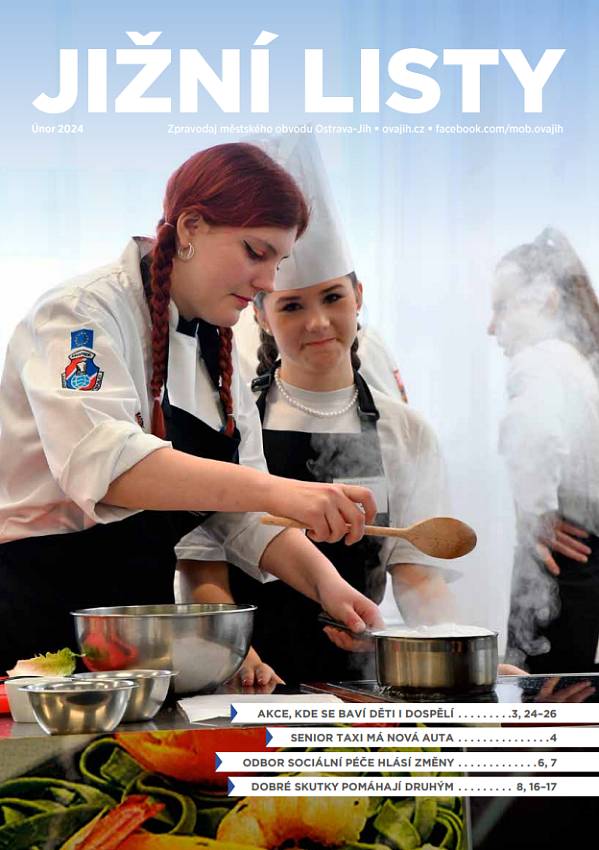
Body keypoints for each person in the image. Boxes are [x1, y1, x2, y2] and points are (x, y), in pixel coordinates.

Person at [0, 142, 384, 674]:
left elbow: (244, 513)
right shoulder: (82, 314)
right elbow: (108, 467)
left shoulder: (215, 350)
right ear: (190, 229)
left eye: (279, 260)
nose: (269, 282)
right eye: (256, 251)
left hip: (136, 626)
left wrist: (329, 587)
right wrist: (286, 491)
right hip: (33, 618)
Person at [177, 137, 457, 686]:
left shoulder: (408, 431)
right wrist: (227, 649)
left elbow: (419, 576)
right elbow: (200, 560)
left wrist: (451, 653)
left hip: (360, 683)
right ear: (260, 314)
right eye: (292, 305)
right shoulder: (232, 421)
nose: (318, 323)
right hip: (248, 678)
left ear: (358, 295)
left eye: (332, 298)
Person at [489, 227, 599, 672]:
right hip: (585, 562)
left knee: (537, 699)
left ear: (548, 302)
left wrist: (536, 515)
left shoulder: (540, 358)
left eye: (501, 307)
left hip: (558, 563)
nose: (491, 326)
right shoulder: (577, 364)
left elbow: (532, 428)